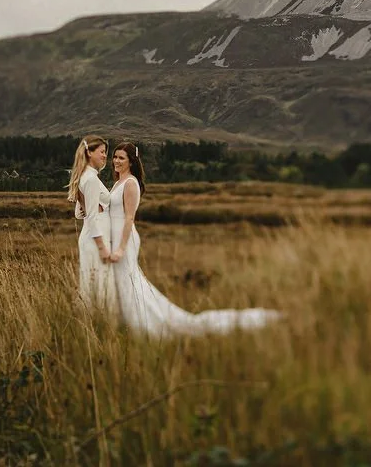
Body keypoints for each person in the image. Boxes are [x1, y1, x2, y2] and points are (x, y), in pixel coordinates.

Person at [99, 141, 283, 337]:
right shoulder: (119, 181)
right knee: (122, 282)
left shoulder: (130, 183)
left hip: (124, 241)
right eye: (115, 156)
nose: (116, 161)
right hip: (115, 239)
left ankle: (143, 326)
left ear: (131, 162)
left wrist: (120, 248)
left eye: (121, 158)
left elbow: (129, 218)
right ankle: (125, 322)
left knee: (128, 282)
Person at [67, 135, 112, 311]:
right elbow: (91, 216)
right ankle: (96, 321)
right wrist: (102, 247)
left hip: (89, 236)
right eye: (101, 152)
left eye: (105, 152)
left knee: (91, 284)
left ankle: (89, 319)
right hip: (95, 240)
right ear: (89, 152)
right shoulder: (91, 179)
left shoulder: (83, 175)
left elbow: (79, 213)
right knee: (98, 285)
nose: (105, 156)